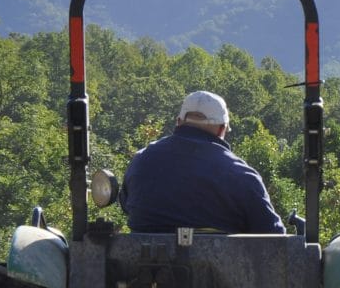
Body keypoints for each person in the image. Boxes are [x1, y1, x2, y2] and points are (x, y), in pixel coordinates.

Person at [119, 90, 285, 234]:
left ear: (179, 122)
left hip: (139, 268)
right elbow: (274, 235)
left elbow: (126, 205)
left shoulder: (141, 160)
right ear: (222, 129)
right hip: (219, 269)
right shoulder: (241, 175)